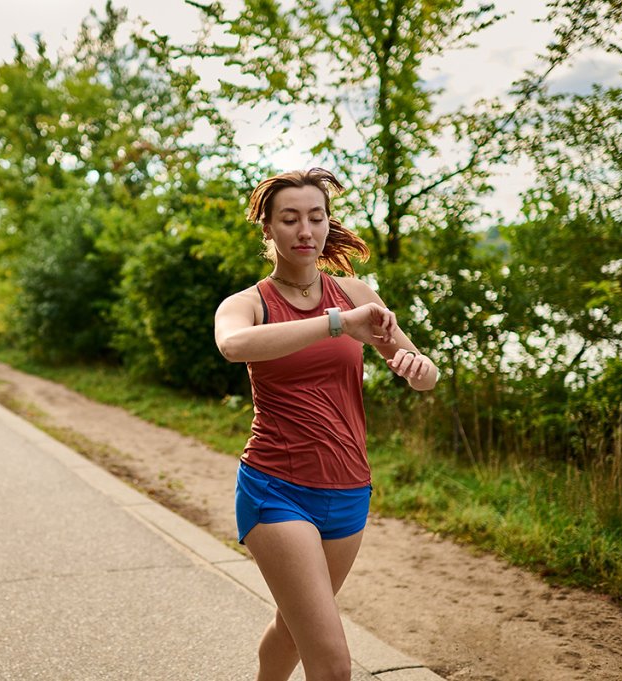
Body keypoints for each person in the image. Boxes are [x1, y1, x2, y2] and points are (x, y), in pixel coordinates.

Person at [214, 168, 439, 681]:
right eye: (289, 219)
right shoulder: (249, 303)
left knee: (292, 630)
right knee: (333, 660)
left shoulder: (358, 293)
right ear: (267, 229)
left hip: (349, 490)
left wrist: (421, 368)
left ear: (327, 222)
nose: (305, 230)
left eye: (316, 217)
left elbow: (420, 373)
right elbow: (233, 346)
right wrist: (338, 323)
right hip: (276, 488)